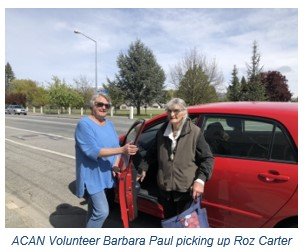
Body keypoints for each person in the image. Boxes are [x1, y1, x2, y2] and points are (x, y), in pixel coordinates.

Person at [139, 98, 214, 219]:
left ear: (184, 112)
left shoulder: (195, 132)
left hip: (186, 191)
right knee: (170, 221)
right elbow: (152, 152)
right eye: (169, 111)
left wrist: (200, 181)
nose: (172, 114)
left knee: (185, 224)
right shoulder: (162, 131)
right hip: (165, 189)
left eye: (176, 111)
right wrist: (143, 167)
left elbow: (207, 158)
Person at [75, 93, 138, 228]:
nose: (103, 107)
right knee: (102, 212)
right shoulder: (84, 124)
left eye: (106, 105)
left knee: (93, 210)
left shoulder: (109, 123)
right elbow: (93, 151)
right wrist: (122, 150)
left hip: (105, 173)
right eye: (100, 104)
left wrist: (115, 164)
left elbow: (115, 145)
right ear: (92, 106)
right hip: (91, 176)